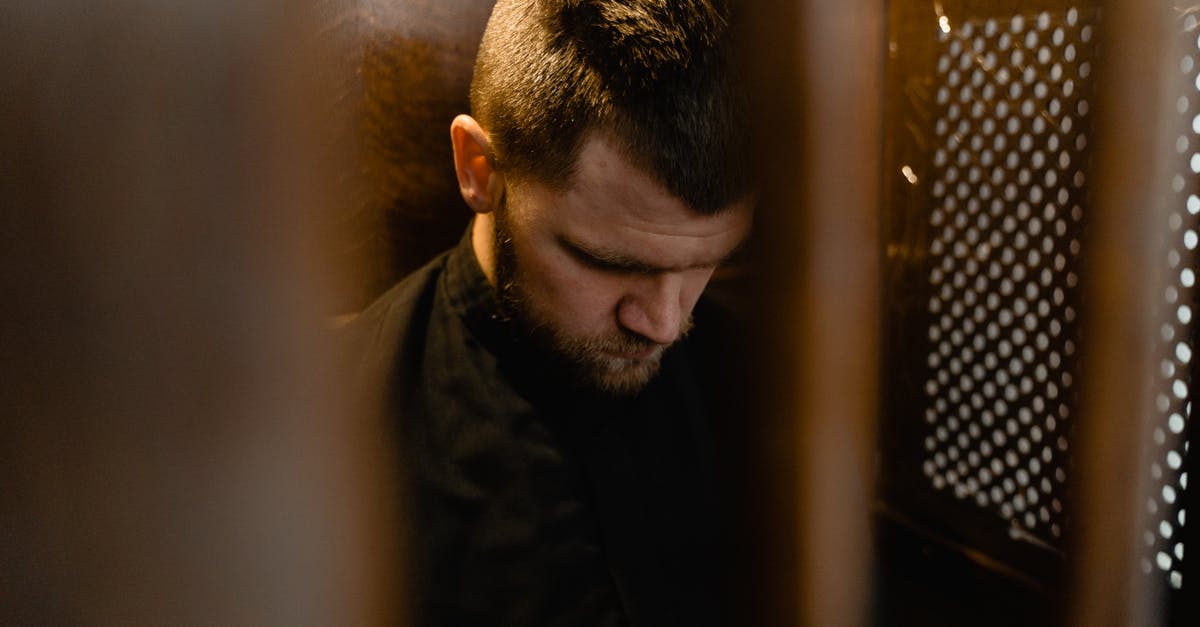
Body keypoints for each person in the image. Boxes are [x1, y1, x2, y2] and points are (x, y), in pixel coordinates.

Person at [345, 0, 756, 624]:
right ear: (478, 169)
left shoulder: (777, 397)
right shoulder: (336, 436)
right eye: (608, 261)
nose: (666, 322)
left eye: (707, 262)